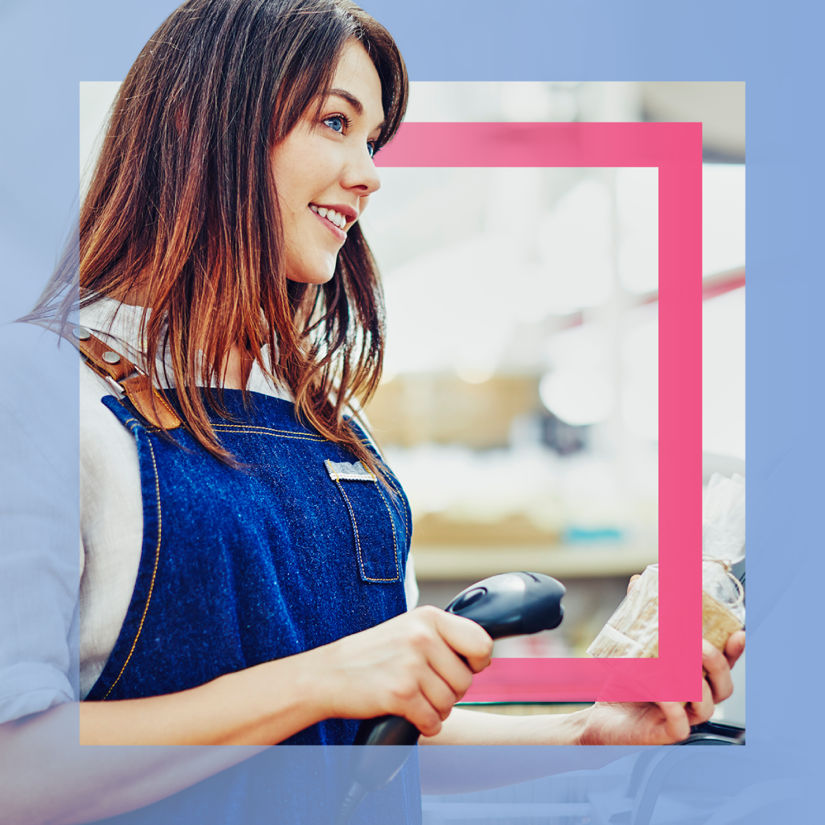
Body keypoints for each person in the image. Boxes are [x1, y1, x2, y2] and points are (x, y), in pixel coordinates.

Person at [1, 0, 744, 822]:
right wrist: (322, 679)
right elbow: (17, 771)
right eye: (333, 121)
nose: (369, 171)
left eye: (371, 137)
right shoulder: (39, 387)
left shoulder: (328, 423)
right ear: (194, 120)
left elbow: (373, 747)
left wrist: (587, 730)